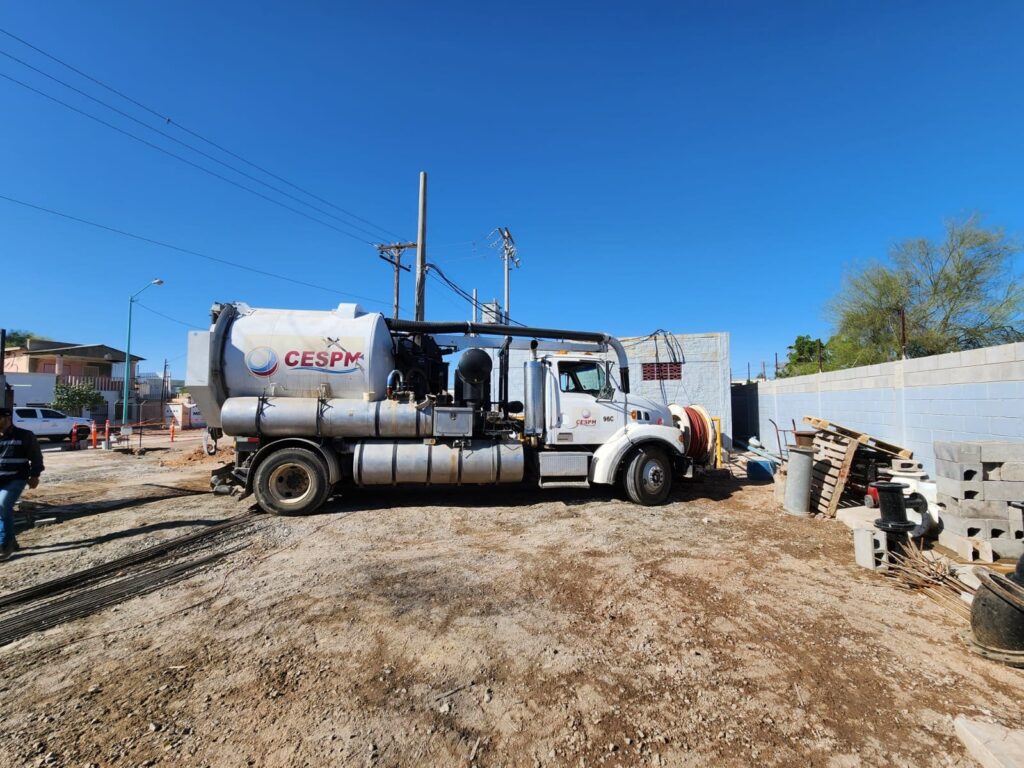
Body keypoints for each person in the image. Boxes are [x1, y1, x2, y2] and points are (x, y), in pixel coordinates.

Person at [0, 407, 44, 560]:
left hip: (16, 478)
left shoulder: (25, 435)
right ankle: (11, 539)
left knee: (3, 505)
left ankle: (4, 544)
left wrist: (35, 475)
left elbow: (36, 456)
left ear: (7, 419)